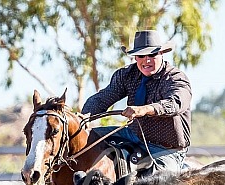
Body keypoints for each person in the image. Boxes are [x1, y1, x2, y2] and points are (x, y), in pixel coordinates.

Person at [82, 29, 192, 174]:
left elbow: (176, 103)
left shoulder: (175, 78)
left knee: (156, 181)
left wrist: (144, 109)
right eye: (140, 55)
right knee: (85, 141)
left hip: (167, 149)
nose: (146, 60)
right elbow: (102, 98)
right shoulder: (127, 75)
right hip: (133, 136)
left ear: (161, 54)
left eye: (152, 55)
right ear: (135, 57)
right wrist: (83, 116)